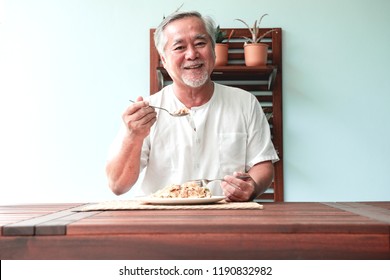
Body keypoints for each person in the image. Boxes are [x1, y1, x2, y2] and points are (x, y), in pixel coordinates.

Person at [106, 11, 279, 202]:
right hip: (160, 220)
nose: (192, 54)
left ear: (213, 50)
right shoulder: (147, 111)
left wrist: (251, 187)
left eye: (200, 44)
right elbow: (118, 186)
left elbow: (262, 165)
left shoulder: (245, 103)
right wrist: (133, 137)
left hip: (226, 217)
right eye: (179, 47)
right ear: (164, 60)